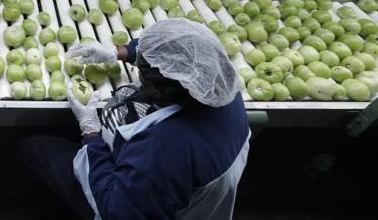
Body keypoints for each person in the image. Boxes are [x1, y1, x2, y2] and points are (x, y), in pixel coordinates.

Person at [20, 19, 249, 220]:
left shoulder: (165, 149)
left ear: (161, 90)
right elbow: (175, 51)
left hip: (126, 202)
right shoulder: (216, 85)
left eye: (143, 73)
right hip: (157, 185)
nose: (138, 67)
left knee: (34, 147)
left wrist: (90, 133)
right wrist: (120, 53)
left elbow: (117, 210)